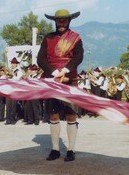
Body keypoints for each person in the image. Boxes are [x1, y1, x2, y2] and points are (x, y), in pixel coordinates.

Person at [38, 9, 84, 161]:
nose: (62, 23)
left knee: (71, 114)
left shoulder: (76, 38)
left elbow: (78, 57)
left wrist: (65, 70)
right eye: (59, 20)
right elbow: (41, 59)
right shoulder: (48, 38)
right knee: (53, 113)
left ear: (69, 21)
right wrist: (54, 73)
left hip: (70, 79)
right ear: (55, 22)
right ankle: (55, 149)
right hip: (52, 80)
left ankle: (71, 149)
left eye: (64, 20)